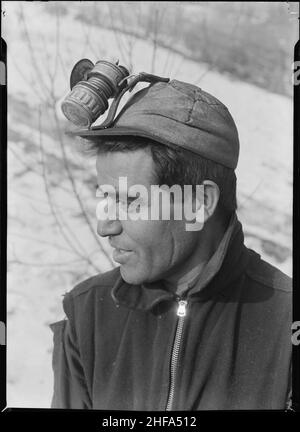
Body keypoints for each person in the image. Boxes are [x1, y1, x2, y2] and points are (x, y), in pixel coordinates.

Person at [50, 78, 292, 410]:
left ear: (199, 203)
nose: (104, 225)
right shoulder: (86, 315)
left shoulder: (286, 323)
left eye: (131, 202)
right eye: (106, 197)